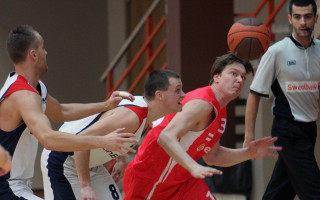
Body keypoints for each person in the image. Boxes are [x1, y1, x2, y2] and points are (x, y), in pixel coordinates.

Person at [0, 24, 138, 199]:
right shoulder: (23, 95)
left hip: (16, 186)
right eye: (43, 48)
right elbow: (48, 139)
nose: (46, 53)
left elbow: (61, 111)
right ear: (33, 55)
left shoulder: (35, 88)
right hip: (6, 187)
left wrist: (105, 105)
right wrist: (101, 140)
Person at [122, 52, 282, 200]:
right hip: (151, 179)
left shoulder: (221, 112)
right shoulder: (202, 103)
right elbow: (165, 137)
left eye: (243, 77)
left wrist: (248, 152)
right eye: (234, 74)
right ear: (216, 77)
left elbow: (213, 156)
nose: (239, 80)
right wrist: (194, 167)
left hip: (182, 182)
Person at [40, 69, 185, 200]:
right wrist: (85, 186)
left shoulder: (146, 115)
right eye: (177, 90)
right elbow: (81, 142)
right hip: (62, 159)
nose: (183, 95)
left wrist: (120, 159)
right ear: (159, 95)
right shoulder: (132, 117)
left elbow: (119, 132)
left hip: (90, 164)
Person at [243, 0, 320, 199]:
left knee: (280, 192)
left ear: (315, 18)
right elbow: (254, 95)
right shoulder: (276, 52)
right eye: (297, 17)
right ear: (290, 19)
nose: (303, 22)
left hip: (310, 129)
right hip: (287, 130)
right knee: (314, 192)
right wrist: (248, 138)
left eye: (307, 16)